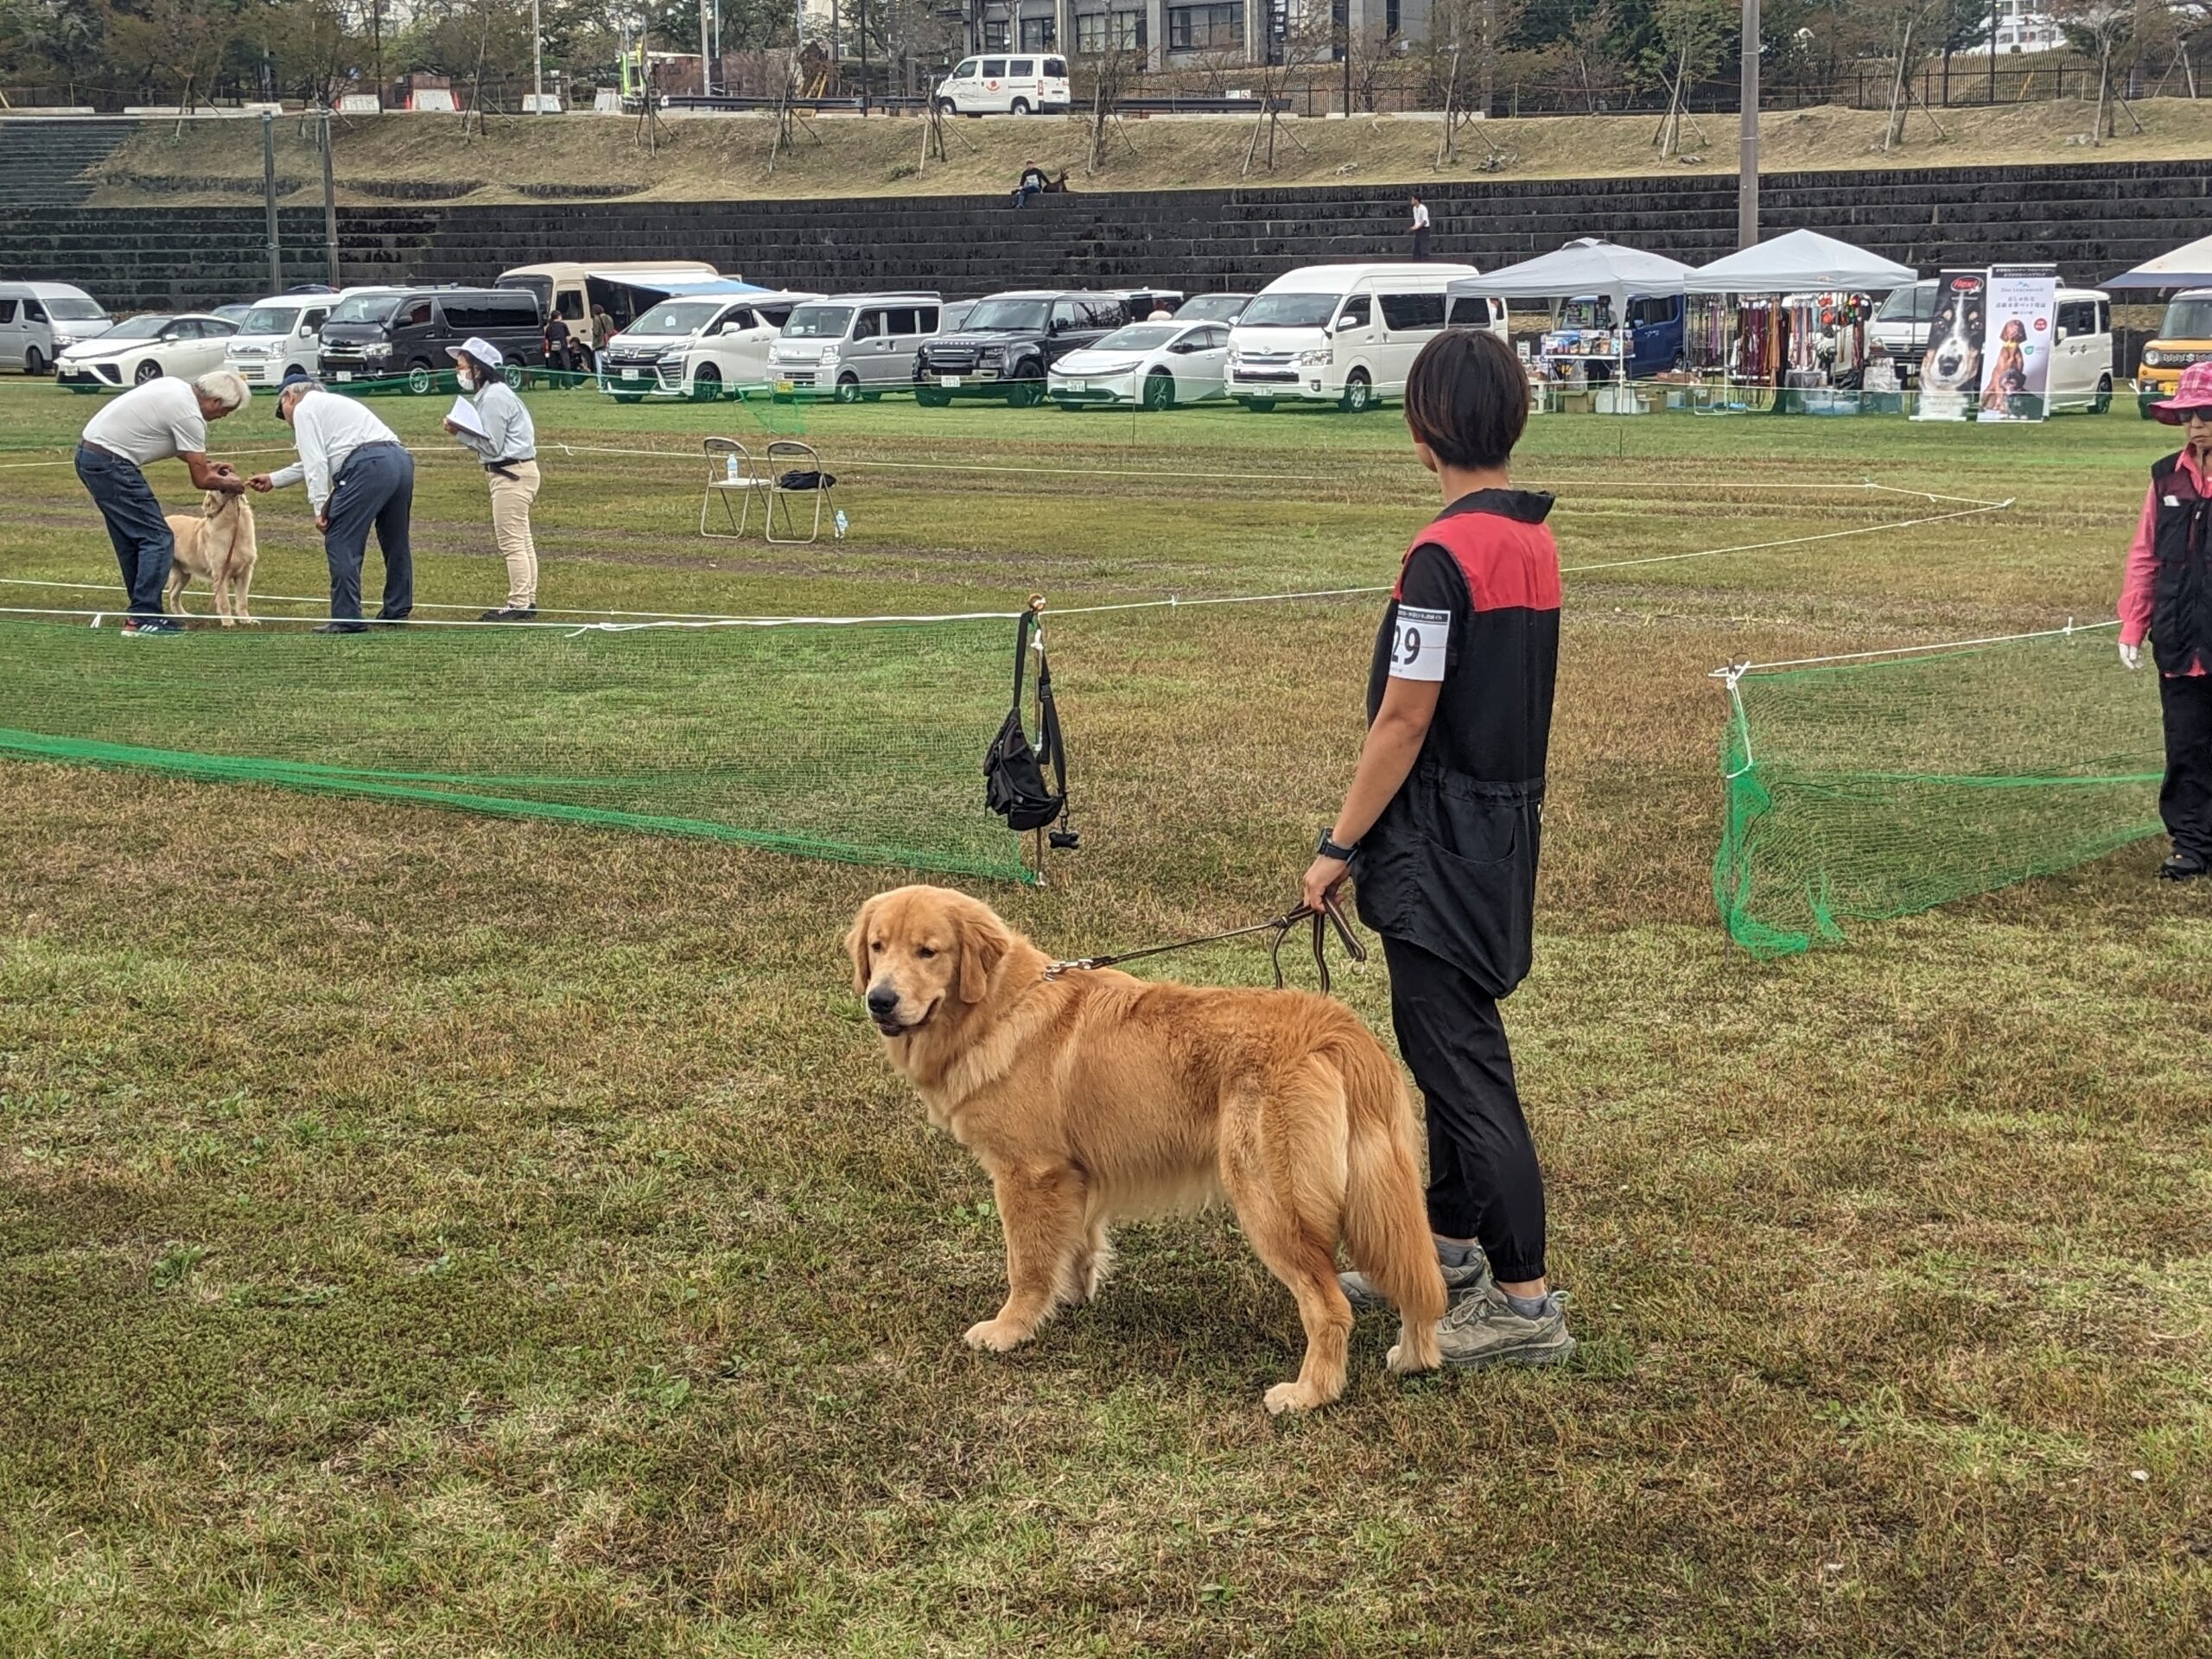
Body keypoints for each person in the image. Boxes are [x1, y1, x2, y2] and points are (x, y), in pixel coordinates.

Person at [1302, 327, 1571, 1370]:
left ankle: (1524, 1302)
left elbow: (1403, 719)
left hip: (1438, 843)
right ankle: (1447, 1247)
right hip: (1502, 831)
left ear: (1425, 432)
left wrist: (1337, 845)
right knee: (1444, 1049)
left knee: (1460, 1064)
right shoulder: (1531, 539)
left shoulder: (1439, 557)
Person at [2120, 357, 2212, 881]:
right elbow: (2145, 555)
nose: (2196, 425)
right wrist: (2134, 623)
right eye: (2188, 415)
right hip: (2179, 637)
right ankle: (2191, 845)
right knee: (2185, 744)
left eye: (2206, 413)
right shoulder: (2165, 478)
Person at [75, 369, 251, 636]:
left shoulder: (174, 387)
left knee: (130, 539)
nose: (224, 416)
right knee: (158, 537)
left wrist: (207, 465)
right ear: (216, 402)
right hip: (113, 463)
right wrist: (232, 484)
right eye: (226, 411)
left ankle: (143, 613)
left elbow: (184, 450)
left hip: (90, 455)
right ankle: (143, 617)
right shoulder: (190, 416)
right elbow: (201, 480)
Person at [246, 374, 414, 634]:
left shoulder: (304, 409)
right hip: (400, 459)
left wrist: (320, 509)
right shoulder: (331, 404)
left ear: (288, 397)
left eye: (283, 412)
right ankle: (397, 610)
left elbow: (316, 463)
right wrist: (274, 479)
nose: (288, 421)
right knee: (395, 540)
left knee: (340, 539)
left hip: (367, 465)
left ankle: (347, 618)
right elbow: (322, 457)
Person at [442, 337, 542, 621]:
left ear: (478, 368)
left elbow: (492, 446)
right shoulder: (494, 394)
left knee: (512, 541)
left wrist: (459, 432)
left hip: (510, 474)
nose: (458, 372)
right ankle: (526, 599)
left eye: (461, 366)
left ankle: (519, 602)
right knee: (522, 539)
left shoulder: (494, 397)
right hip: (515, 472)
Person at [544, 311, 578, 375]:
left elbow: (547, 339)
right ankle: (567, 379)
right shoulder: (563, 325)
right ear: (559, 316)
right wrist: (568, 345)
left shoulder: (549, 327)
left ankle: (554, 379)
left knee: (553, 365)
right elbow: (567, 337)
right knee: (566, 364)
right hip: (562, 345)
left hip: (552, 346)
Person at [588, 302, 617, 370]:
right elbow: (611, 329)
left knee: (599, 362)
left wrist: (592, 330)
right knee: (607, 360)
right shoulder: (609, 317)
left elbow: (596, 332)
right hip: (608, 341)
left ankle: (600, 375)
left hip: (600, 343)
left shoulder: (597, 318)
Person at [1408, 194, 1432, 262]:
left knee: (1423, 246)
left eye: (1413, 199)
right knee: (1417, 246)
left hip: (1424, 229)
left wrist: (1417, 227)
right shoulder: (1414, 208)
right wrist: (1414, 227)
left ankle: (1425, 260)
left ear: (1416, 200)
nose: (1411, 201)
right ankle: (1417, 260)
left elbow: (1425, 221)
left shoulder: (1423, 209)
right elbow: (1417, 220)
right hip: (1418, 229)